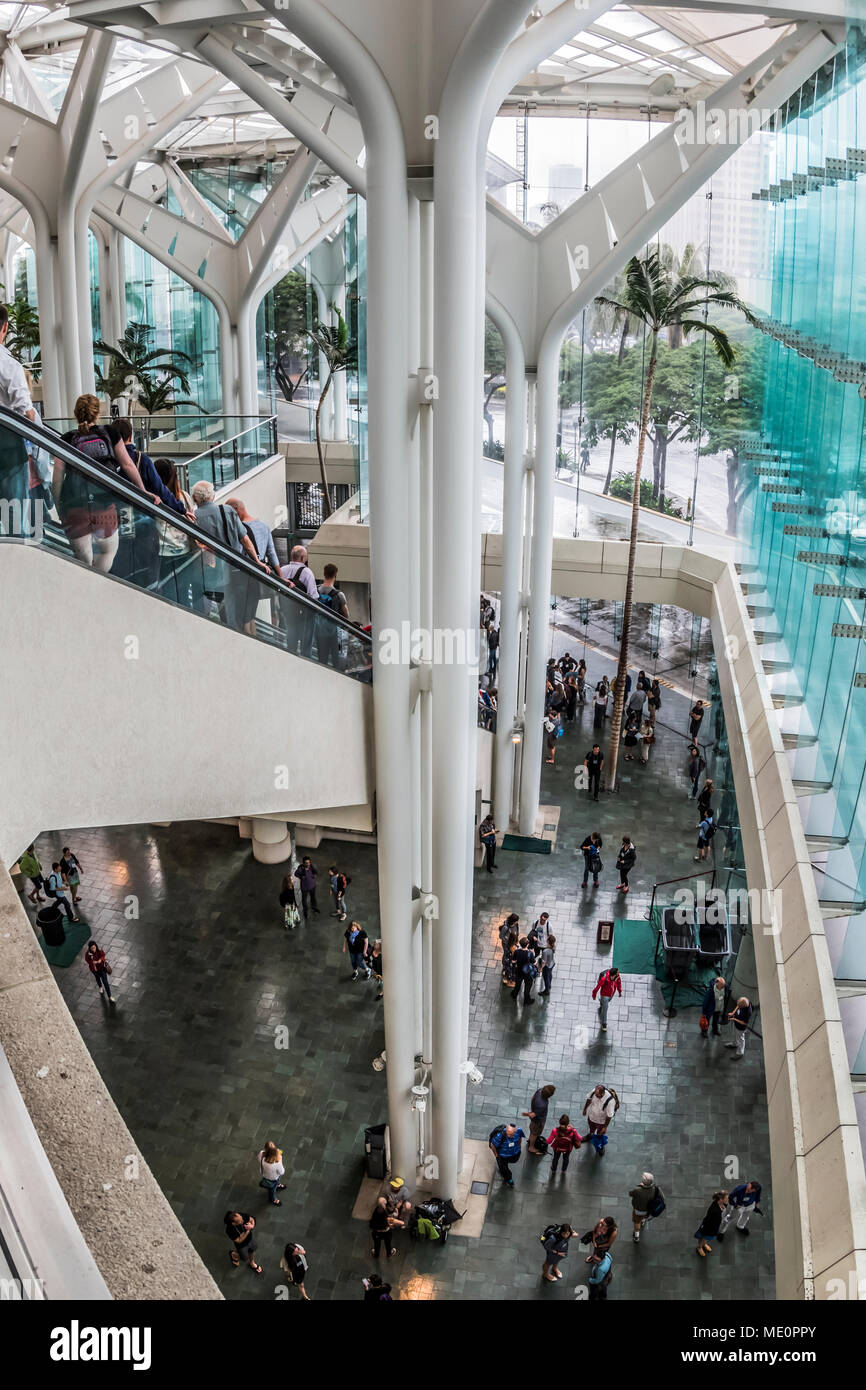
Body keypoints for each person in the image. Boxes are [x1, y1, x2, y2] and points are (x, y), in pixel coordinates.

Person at [54, 394, 149, 572]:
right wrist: (143, 491)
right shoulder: (109, 432)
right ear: (97, 413)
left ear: (76, 413)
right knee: (107, 552)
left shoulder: (66, 439)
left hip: (74, 507)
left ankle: (85, 588)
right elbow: (128, 464)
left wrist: (59, 506)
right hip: (104, 505)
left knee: (82, 560)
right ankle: (98, 585)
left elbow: (57, 478)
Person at [192, 479, 269, 629]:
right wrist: (257, 561)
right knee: (232, 617)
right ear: (213, 496)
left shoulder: (193, 517)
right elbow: (245, 540)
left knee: (204, 613)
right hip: (231, 574)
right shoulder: (227, 511)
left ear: (195, 498)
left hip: (205, 574)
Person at [0, 302, 37, 532]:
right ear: (4, 328)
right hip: (9, 453)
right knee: (15, 524)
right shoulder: (9, 365)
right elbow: (26, 411)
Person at [280, 544, 319, 655]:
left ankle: (291, 657)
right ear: (302, 558)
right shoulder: (307, 572)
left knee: (291, 638)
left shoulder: (282, 570)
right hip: (305, 614)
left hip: (289, 612)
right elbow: (313, 596)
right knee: (306, 644)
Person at [317, 562, 350, 668]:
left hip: (319, 631)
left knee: (322, 660)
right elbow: (346, 614)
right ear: (335, 575)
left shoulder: (316, 591)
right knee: (337, 660)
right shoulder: (339, 595)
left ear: (324, 574)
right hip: (335, 633)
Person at [582, 1084, 617, 1152]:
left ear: (603, 1093)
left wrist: (605, 1127)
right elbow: (589, 1099)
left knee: (600, 1133)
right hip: (591, 1116)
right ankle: (590, 1135)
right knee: (591, 1128)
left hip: (601, 1121)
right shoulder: (594, 1092)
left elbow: (609, 1116)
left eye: (597, 1095)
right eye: (595, 1094)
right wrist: (585, 1109)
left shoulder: (610, 1101)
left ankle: (601, 1146)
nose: (595, 1096)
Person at [523, 1083, 556, 1154]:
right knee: (534, 1133)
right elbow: (532, 1115)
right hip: (537, 1121)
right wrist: (528, 1114)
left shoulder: (539, 1091)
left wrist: (533, 1109)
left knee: (533, 1133)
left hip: (536, 1117)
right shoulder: (542, 1105)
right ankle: (531, 1147)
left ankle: (531, 1140)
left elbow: (532, 1098)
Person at [629, 1172, 663, 1242]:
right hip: (649, 1209)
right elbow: (662, 1197)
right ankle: (643, 1221)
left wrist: (639, 1186)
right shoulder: (656, 1189)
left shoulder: (638, 1190)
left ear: (643, 1182)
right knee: (644, 1216)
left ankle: (636, 1236)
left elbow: (630, 1193)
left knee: (637, 1222)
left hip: (638, 1209)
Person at [696, 1190, 728, 1257]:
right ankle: (699, 1247)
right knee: (703, 1237)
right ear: (721, 1199)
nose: (728, 1199)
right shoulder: (714, 1210)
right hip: (709, 1226)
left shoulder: (724, 1204)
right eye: (726, 1198)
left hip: (715, 1226)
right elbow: (708, 1220)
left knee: (706, 1238)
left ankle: (704, 1244)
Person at [592, 966, 622, 1032]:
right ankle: (604, 1024)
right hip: (604, 995)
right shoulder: (604, 979)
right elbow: (597, 988)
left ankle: (602, 1003)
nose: (618, 973)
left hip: (611, 995)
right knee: (605, 1009)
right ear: (612, 975)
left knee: (606, 1003)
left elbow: (619, 984)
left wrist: (620, 992)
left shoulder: (617, 977)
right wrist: (594, 995)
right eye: (617, 973)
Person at [257, 1140, 285, 1205]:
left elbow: (259, 1158)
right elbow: (281, 1172)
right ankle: (272, 1199)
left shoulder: (261, 1154)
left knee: (275, 1183)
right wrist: (280, 1160)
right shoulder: (277, 1163)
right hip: (273, 1178)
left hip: (265, 1174)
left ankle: (278, 1184)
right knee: (272, 1190)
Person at [512, 935, 537, 1005]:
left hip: (519, 971)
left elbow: (513, 961)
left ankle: (514, 995)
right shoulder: (530, 953)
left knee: (517, 985)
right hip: (528, 973)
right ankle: (526, 1000)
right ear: (527, 944)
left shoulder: (517, 951)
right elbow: (534, 963)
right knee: (527, 987)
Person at [539, 934, 556, 998]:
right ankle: (549, 986)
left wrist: (540, 968)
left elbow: (544, 962)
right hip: (552, 963)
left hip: (547, 966)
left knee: (546, 978)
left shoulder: (545, 951)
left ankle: (546, 991)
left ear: (548, 941)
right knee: (550, 975)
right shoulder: (553, 947)